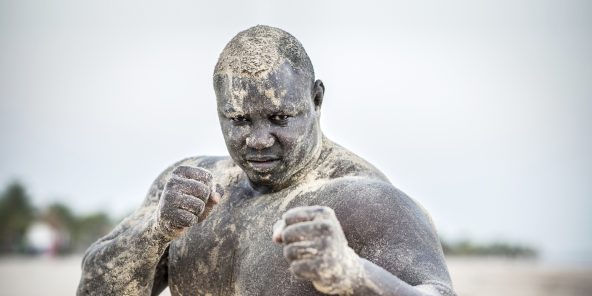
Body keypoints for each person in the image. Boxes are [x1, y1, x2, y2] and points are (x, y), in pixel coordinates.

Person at [77, 25, 456, 296]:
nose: (258, 141)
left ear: (317, 99)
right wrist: (154, 233)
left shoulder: (364, 200)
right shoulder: (192, 187)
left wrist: (354, 276)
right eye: (239, 120)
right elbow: (93, 288)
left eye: (279, 118)